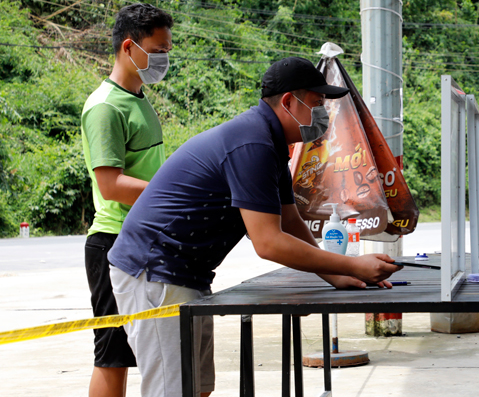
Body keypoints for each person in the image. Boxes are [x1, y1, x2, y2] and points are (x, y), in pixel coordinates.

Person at [107, 56, 401, 397]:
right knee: (172, 392)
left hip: (183, 275)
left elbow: (289, 220)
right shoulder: (253, 143)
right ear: (289, 101)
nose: (323, 114)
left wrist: (333, 274)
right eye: (318, 104)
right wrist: (350, 264)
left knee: (197, 388)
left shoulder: (270, 143)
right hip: (153, 272)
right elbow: (268, 242)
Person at [81, 3, 173, 397]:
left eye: (168, 50)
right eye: (158, 50)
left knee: (149, 351)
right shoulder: (105, 107)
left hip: (141, 237)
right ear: (129, 47)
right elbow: (111, 185)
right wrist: (171, 192)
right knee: (113, 354)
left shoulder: (136, 98)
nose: (164, 59)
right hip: (113, 243)